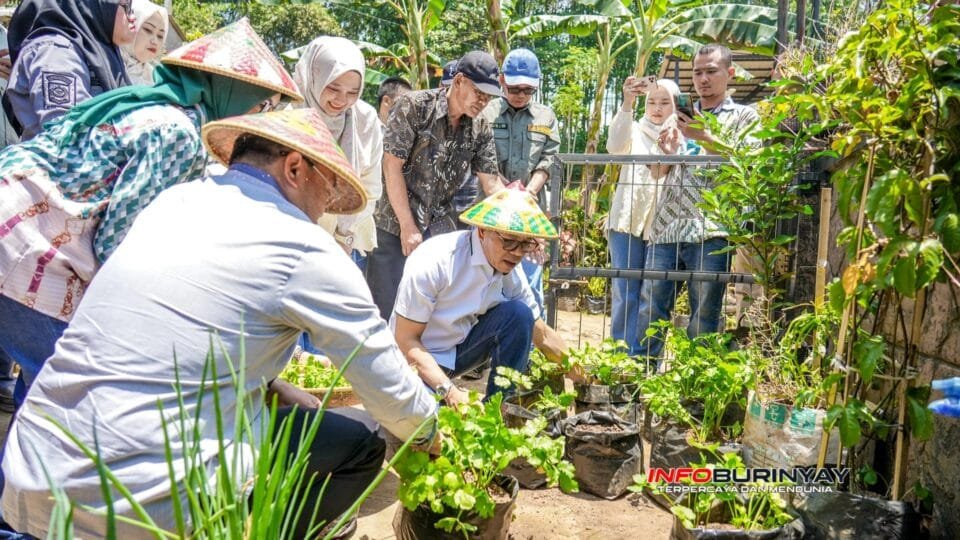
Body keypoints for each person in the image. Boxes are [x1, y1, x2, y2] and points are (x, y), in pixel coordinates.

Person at [0, 108, 439, 538]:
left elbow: (173, 326)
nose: (325, 209)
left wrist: (270, 385)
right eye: (328, 191)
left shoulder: (174, 202)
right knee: (362, 443)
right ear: (294, 168)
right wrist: (431, 434)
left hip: (31, 473)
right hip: (136, 503)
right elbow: (385, 383)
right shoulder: (303, 245)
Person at [0, 19, 300, 408]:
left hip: (19, 226)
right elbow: (119, 242)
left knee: (46, 389)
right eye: (262, 105)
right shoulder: (178, 132)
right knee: (70, 393)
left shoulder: (156, 104)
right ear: (233, 92)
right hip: (26, 247)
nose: (259, 119)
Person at [392, 188, 577, 406]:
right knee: (428, 418)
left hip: (458, 353)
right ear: (482, 231)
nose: (517, 253)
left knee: (519, 314)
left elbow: (542, 334)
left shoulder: (510, 269)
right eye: (509, 240)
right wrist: (450, 393)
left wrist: (580, 368)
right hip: (416, 362)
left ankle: (500, 408)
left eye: (526, 243)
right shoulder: (436, 261)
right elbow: (405, 341)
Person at [635, 43, 758, 359]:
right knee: (650, 309)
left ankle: (696, 381)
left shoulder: (744, 116)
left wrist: (704, 137)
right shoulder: (677, 118)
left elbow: (747, 162)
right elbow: (659, 173)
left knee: (704, 316)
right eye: (698, 72)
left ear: (729, 73)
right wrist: (666, 152)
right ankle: (639, 376)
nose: (703, 79)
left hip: (711, 229)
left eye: (711, 71)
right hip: (666, 228)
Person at [366, 50, 504, 320]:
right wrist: (407, 226)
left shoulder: (480, 127)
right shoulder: (414, 106)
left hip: (440, 235)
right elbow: (391, 166)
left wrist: (522, 220)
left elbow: (492, 183)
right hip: (393, 227)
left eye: (488, 97)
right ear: (459, 81)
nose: (483, 102)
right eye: (479, 93)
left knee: (429, 317)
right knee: (385, 312)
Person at [605, 76, 683, 356]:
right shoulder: (635, 129)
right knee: (625, 291)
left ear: (676, 105)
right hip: (626, 221)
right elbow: (614, 147)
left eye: (665, 102)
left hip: (664, 228)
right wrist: (628, 102)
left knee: (655, 295)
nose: (657, 108)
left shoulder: (684, 136)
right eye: (651, 102)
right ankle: (620, 355)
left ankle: (646, 358)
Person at [480, 48, 561, 312]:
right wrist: (508, 193)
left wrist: (529, 192)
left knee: (530, 285)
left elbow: (548, 159)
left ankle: (531, 335)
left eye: (528, 90)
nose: (521, 95)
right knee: (486, 284)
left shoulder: (546, 117)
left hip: (530, 212)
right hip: (492, 212)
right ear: (502, 81)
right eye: (515, 89)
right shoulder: (486, 113)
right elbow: (481, 159)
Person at [292, 36, 383, 264]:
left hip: (345, 241)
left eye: (353, 92)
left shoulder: (365, 119)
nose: (342, 100)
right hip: (289, 236)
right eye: (333, 87)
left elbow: (370, 188)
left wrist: (343, 238)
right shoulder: (287, 111)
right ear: (314, 77)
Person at [4, 0, 136, 140]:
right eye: (126, 7)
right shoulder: (57, 53)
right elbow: (68, 132)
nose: (132, 17)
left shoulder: (95, 51)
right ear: (93, 6)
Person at [120, 0, 168, 85]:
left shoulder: (157, 78)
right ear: (130, 25)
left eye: (160, 36)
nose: (155, 41)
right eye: (148, 30)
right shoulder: (106, 64)